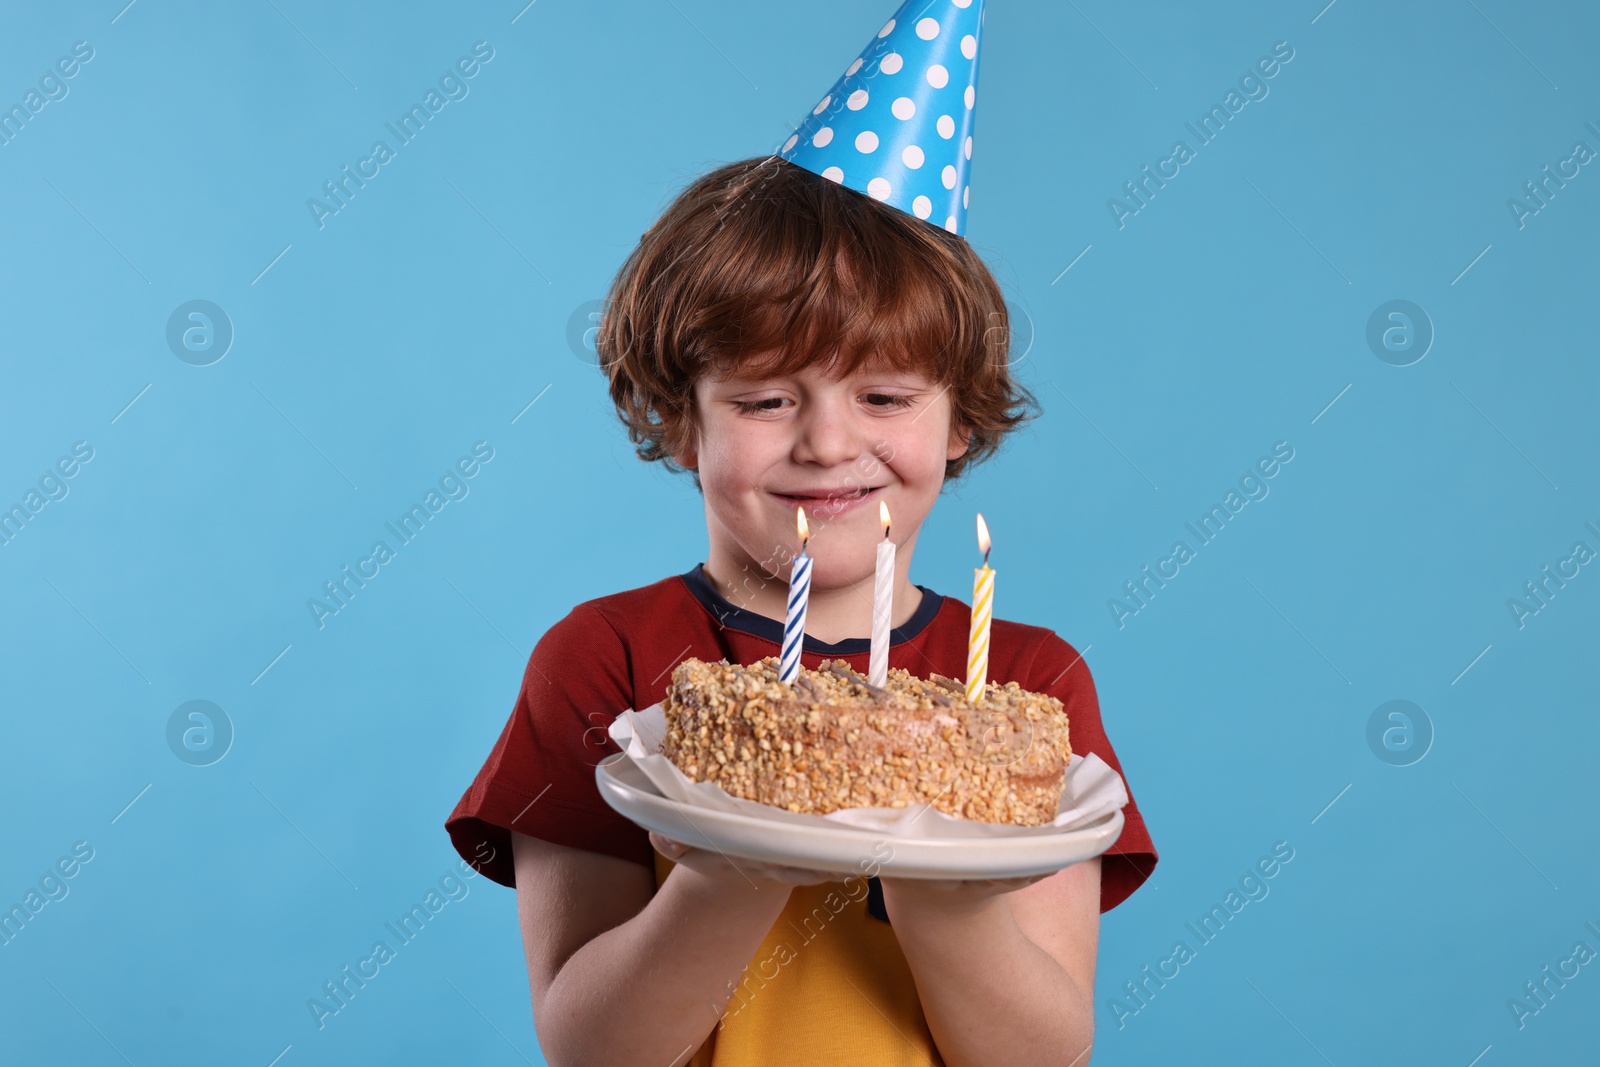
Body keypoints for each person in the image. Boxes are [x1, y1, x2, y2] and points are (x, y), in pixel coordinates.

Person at [445, 3, 1157, 1063]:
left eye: (882, 396)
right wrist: (738, 851)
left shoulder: (1021, 688)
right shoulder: (607, 662)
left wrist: (937, 858)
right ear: (679, 420)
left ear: (958, 416)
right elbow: (590, 1049)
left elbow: (1039, 1054)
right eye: (765, 400)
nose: (828, 445)